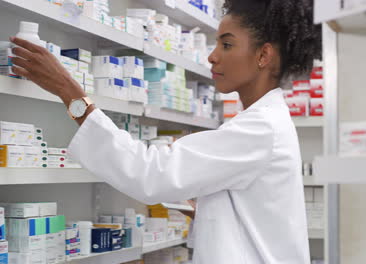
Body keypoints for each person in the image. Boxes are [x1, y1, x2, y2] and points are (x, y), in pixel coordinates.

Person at [9, 0, 321, 262]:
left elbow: (151, 173)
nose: (213, 56)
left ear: (263, 56)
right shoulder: (262, 121)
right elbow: (253, 220)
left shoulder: (260, 127)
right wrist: (210, 212)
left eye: (226, 44)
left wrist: (71, 93)